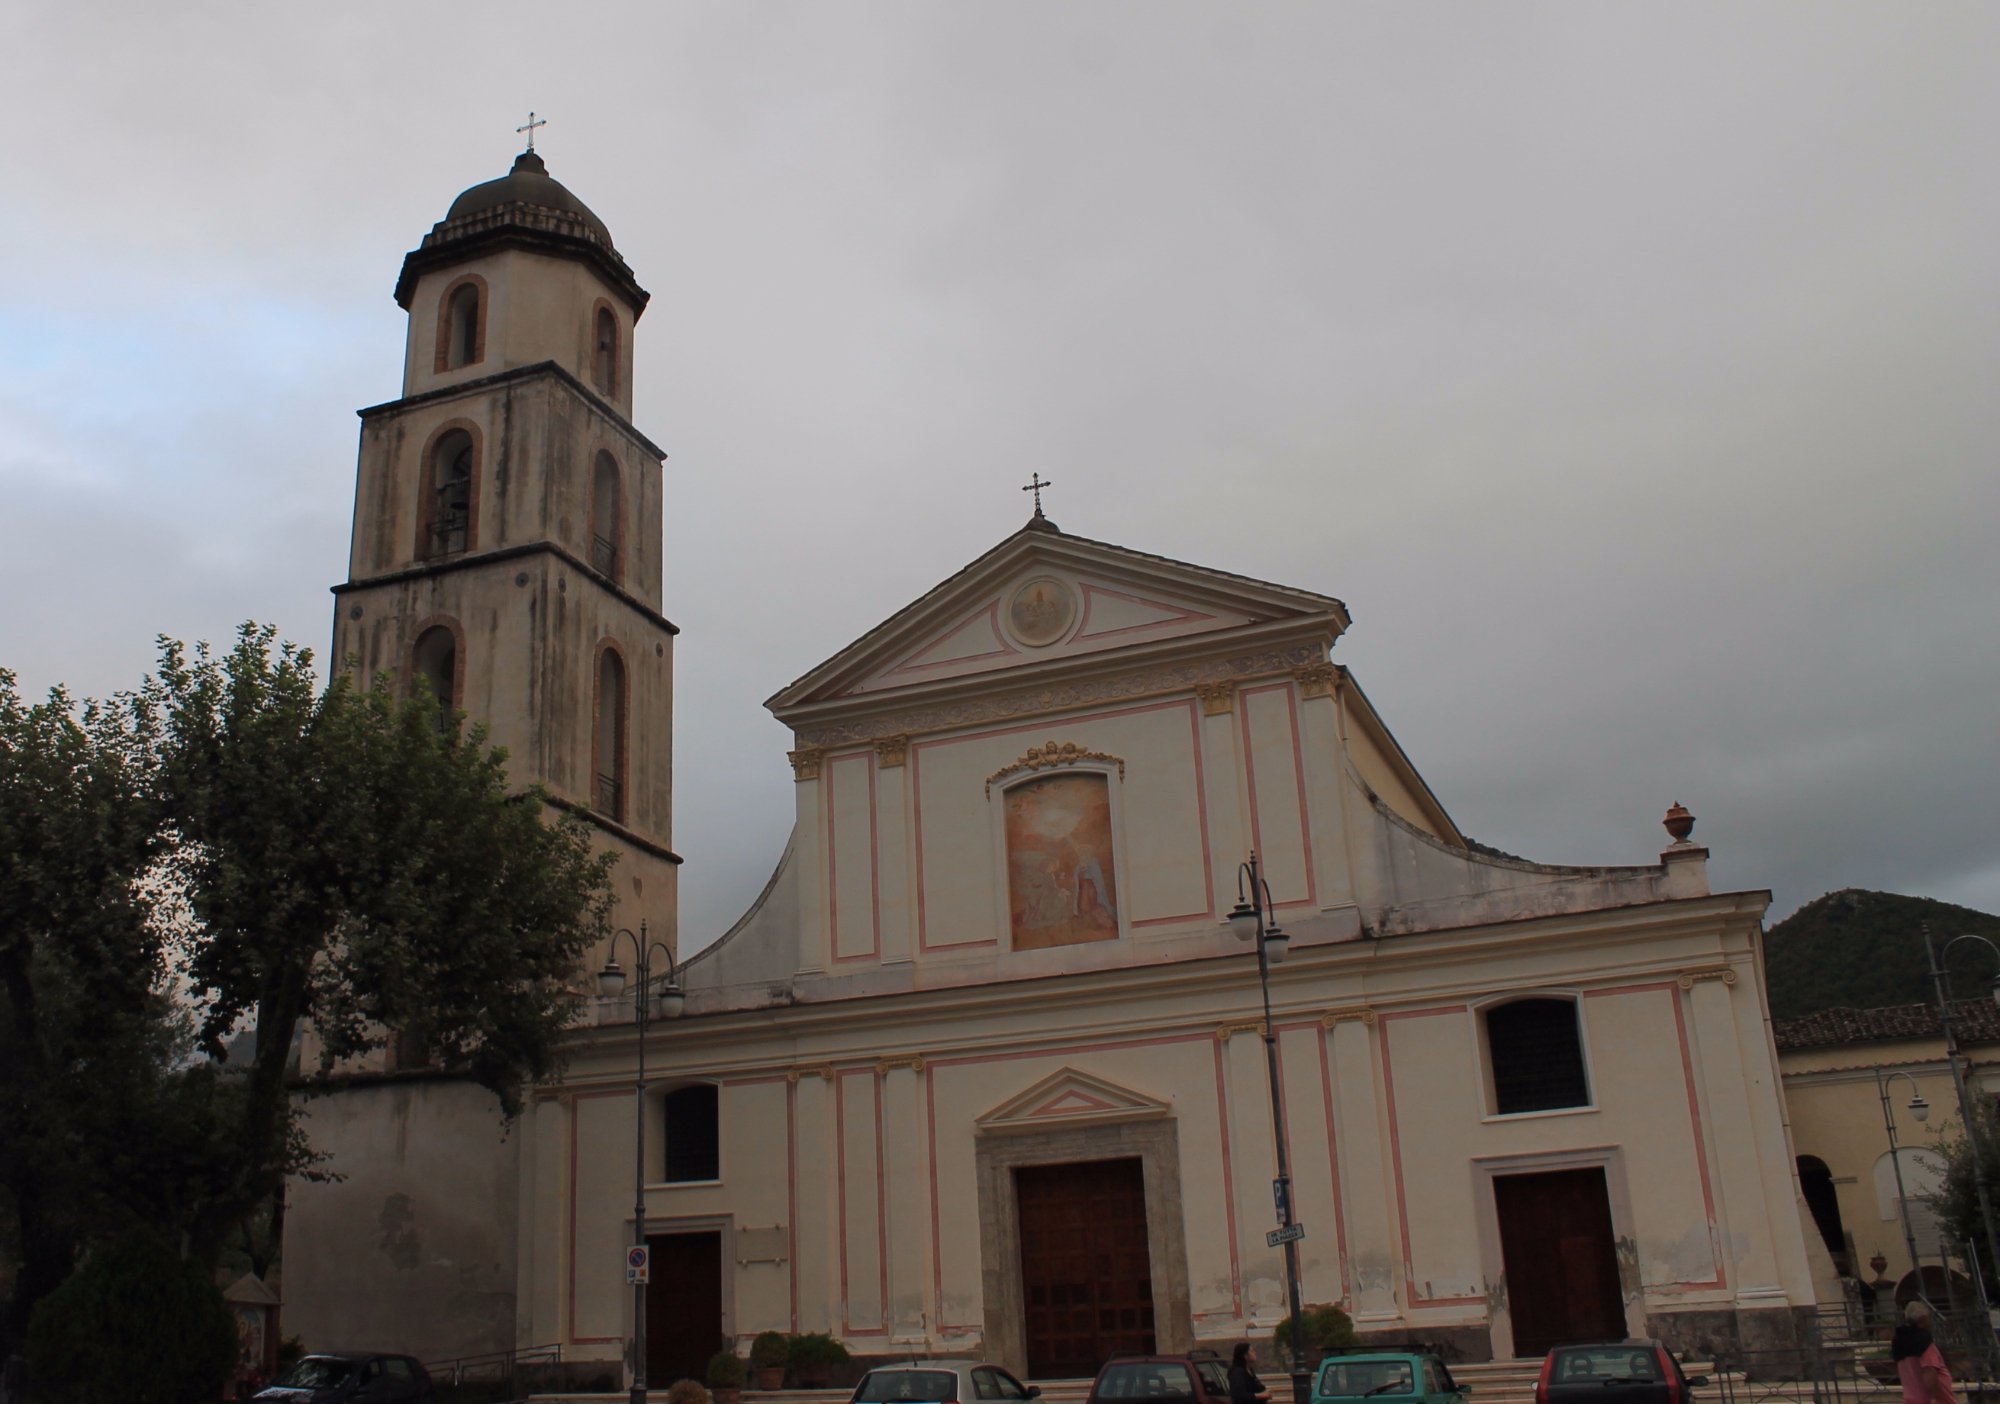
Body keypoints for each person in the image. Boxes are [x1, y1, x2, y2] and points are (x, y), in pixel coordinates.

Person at [1893, 1299, 1958, 1404]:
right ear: (1923, 1318)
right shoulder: (1924, 1341)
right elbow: (1929, 1370)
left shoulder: (1899, 1342)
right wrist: (1935, 1398)